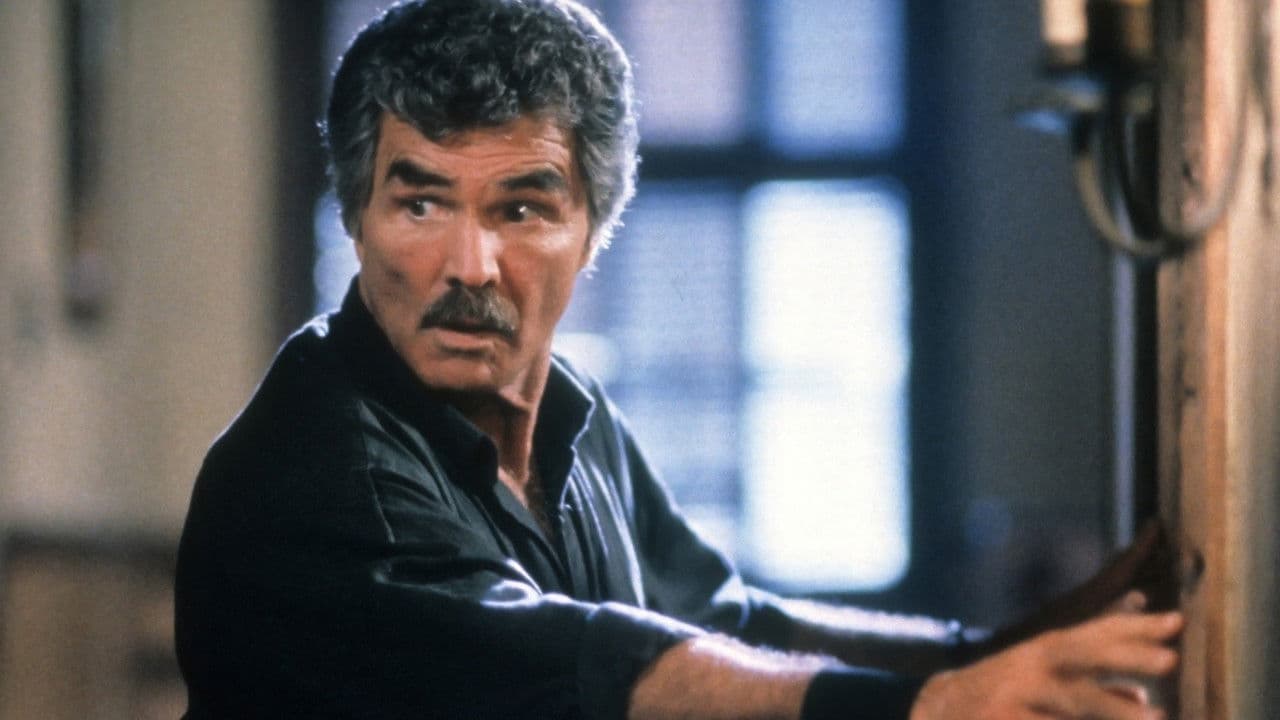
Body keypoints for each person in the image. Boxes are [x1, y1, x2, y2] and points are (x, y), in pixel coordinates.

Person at [173, 1, 1183, 718]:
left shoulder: (568, 415)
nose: (468, 265)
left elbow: (726, 622)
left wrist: (988, 657)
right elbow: (589, 668)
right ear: (357, 217)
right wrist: (925, 707)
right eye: (421, 203)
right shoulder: (312, 471)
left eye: (520, 208)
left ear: (593, 230)